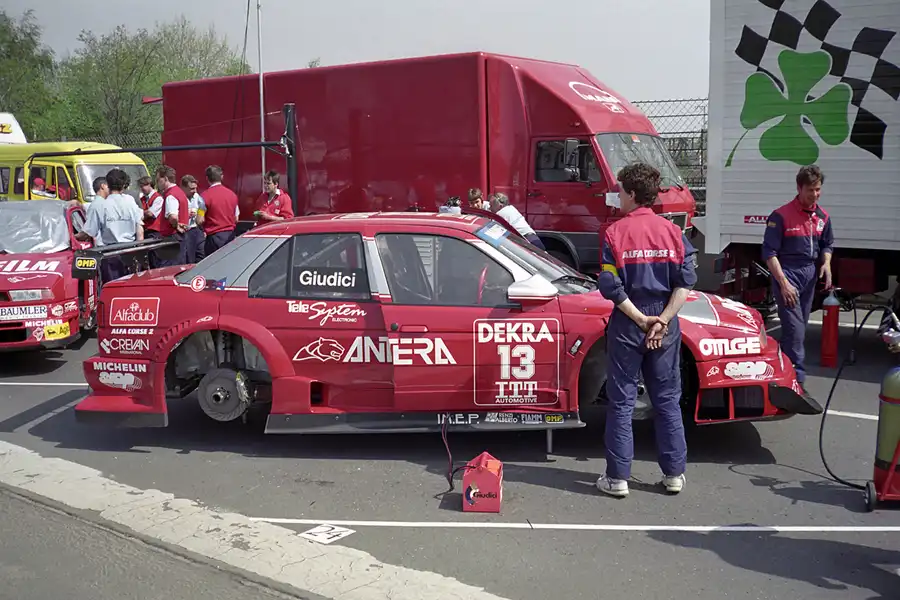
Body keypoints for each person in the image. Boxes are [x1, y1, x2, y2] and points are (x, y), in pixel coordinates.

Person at [595, 162, 697, 498]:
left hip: (629, 321)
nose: (618, 197)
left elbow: (611, 287)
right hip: (665, 323)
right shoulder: (674, 233)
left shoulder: (614, 233)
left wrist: (641, 320)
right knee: (667, 400)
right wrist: (663, 320)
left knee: (622, 400)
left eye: (621, 191)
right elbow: (685, 284)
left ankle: (618, 478)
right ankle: (674, 475)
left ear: (633, 194)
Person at [762, 165, 833, 404]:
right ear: (799, 188)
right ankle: (797, 384)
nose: (815, 194)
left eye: (818, 189)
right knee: (796, 332)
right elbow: (769, 253)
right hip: (788, 274)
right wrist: (783, 283)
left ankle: (779, 374)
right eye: (811, 190)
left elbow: (827, 244)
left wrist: (827, 264)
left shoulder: (822, 216)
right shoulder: (780, 216)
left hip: (810, 274)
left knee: (798, 329)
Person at [79, 168, 144, 283]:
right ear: (124, 184)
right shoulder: (130, 201)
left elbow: (88, 232)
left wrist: (73, 237)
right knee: (131, 286)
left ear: (108, 184)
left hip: (110, 254)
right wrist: (140, 251)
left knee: (112, 287)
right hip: (130, 251)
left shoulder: (101, 204)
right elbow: (140, 228)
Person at [197, 164, 240, 256]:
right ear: (222, 177)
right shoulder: (232, 195)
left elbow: (200, 220)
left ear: (207, 178)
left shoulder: (204, 197)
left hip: (214, 238)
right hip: (230, 236)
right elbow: (236, 218)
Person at [155, 165, 190, 265]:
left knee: (168, 269)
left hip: (172, 238)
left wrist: (176, 225)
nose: (157, 183)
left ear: (165, 179)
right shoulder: (179, 192)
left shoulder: (171, 195)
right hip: (179, 237)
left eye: (158, 180)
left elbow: (173, 216)